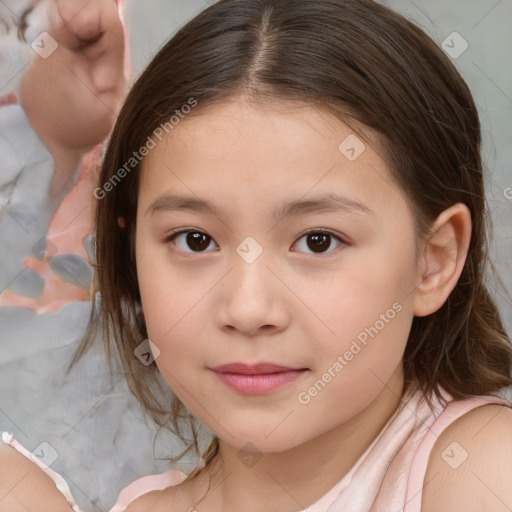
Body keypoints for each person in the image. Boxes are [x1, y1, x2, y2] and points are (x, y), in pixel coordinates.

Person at [2, 0, 512, 510]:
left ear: (434, 261)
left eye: (318, 241)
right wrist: (53, 140)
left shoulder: (481, 470)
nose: (248, 310)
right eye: (194, 240)